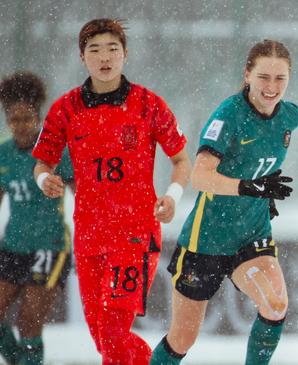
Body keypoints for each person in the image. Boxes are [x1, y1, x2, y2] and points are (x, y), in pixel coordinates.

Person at [32, 19, 190, 364]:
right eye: (95, 50)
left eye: (112, 49)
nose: (105, 58)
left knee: (115, 334)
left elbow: (181, 159)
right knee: (104, 339)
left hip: (134, 236)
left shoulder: (148, 105)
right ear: (82, 57)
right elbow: (42, 163)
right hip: (89, 236)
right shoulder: (66, 109)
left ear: (125, 55)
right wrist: (45, 180)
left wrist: (173, 196)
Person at [149, 39, 298, 365]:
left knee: (275, 306)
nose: (271, 87)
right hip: (207, 238)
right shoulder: (228, 115)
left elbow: (263, 157)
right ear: (247, 75)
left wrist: (265, 192)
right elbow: (201, 177)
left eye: (280, 79)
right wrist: (249, 186)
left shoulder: (290, 117)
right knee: (182, 339)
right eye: (263, 77)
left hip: (252, 233)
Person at [0, 71, 73, 365]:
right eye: (13, 120)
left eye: (26, 119)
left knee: (29, 321)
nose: (20, 126)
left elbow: (81, 192)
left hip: (50, 246)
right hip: (13, 244)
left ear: (38, 116)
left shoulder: (56, 150)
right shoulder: (3, 154)